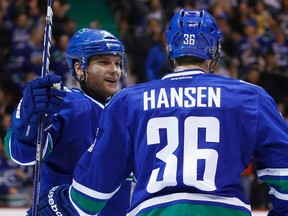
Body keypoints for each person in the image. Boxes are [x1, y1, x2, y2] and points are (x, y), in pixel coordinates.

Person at [33, 9, 288, 215]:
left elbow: (91, 195)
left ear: (170, 51)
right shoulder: (250, 96)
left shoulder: (128, 100)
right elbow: (284, 174)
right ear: (215, 52)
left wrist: (59, 201)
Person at [4, 28, 132, 215]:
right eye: (104, 62)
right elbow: (23, 154)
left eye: (117, 63)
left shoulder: (127, 111)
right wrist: (28, 123)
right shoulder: (64, 103)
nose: (114, 70)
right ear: (79, 68)